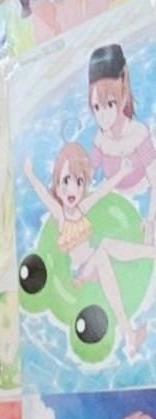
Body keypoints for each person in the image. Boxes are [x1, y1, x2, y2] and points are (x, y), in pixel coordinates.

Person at [23, 143, 156, 358]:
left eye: (78, 182)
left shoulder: (82, 208)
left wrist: (122, 172)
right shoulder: (60, 216)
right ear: (57, 184)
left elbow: (103, 191)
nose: (71, 189)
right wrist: (29, 174)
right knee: (103, 251)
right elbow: (43, 195)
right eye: (65, 181)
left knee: (105, 246)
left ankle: (150, 253)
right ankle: (128, 332)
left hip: (93, 262)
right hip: (81, 274)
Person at [88, 43, 156, 244]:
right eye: (96, 108)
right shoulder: (100, 140)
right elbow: (88, 173)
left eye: (109, 104)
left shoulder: (138, 134)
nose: (102, 116)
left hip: (143, 194)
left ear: (123, 96)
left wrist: (150, 221)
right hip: (117, 198)